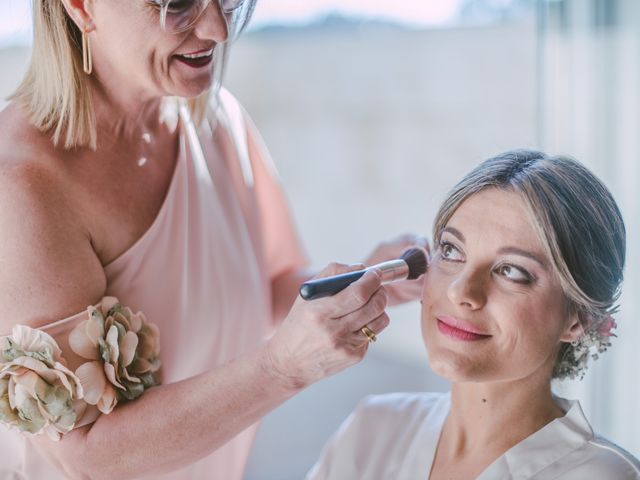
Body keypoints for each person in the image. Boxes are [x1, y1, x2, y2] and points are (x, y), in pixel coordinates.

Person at [0, 1, 426, 478]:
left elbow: (265, 289)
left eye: (229, 1)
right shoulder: (24, 182)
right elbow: (85, 450)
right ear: (80, 6)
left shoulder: (218, 117)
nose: (218, 30)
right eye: (178, 4)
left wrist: (363, 279)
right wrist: (282, 369)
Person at [307, 150, 640, 479]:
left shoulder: (605, 475)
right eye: (451, 251)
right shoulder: (373, 431)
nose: (460, 292)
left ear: (578, 318)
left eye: (511, 271)